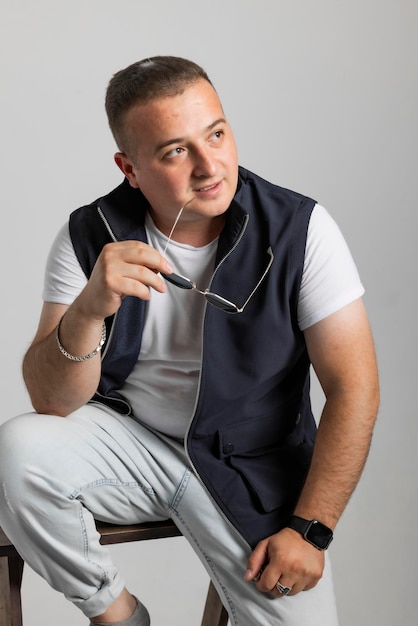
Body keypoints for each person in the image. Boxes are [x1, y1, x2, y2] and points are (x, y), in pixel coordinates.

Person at [0, 56, 379, 626]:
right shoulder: (89, 235)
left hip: (252, 470)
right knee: (18, 449)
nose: (210, 166)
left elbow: (355, 388)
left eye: (217, 135)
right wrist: (87, 310)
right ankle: (119, 616)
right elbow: (52, 402)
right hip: (133, 447)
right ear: (129, 168)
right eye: (175, 150)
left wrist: (310, 529)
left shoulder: (301, 229)